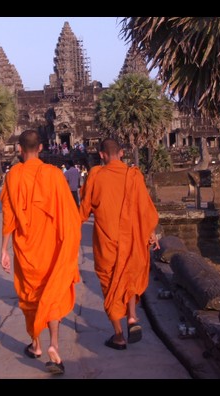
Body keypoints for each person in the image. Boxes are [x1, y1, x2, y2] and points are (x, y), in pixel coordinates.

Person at [0, 129, 81, 375]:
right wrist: (69, 247)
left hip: (26, 249)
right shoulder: (54, 175)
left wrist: (3, 249)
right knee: (52, 294)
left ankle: (36, 344)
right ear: (42, 148)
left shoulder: (13, 175)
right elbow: (69, 215)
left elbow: (9, 216)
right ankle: (54, 345)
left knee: (29, 296)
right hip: (51, 248)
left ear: (19, 149)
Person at [79, 138, 160, 350]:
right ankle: (132, 316)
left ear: (101, 155)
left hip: (106, 242)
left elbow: (83, 210)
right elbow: (145, 209)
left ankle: (118, 336)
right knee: (129, 274)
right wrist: (151, 233)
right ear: (122, 153)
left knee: (110, 284)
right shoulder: (134, 175)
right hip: (131, 240)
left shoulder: (95, 176)